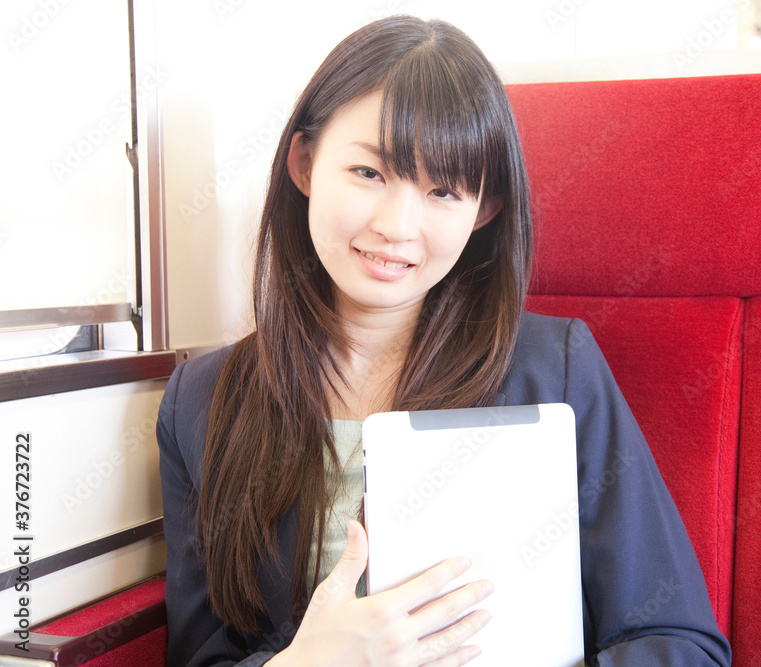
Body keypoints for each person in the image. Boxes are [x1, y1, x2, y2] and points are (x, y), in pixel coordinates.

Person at [156, 15, 731, 667]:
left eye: (443, 190)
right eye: (369, 172)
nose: (398, 225)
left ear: (483, 210)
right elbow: (199, 655)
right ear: (305, 164)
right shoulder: (199, 401)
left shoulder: (557, 369)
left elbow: (678, 643)